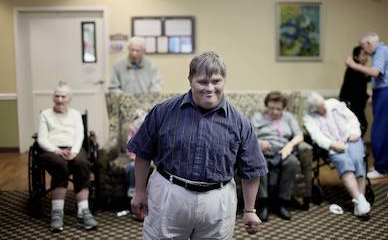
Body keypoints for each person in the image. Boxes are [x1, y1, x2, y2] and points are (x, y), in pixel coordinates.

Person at [128, 52, 268, 239]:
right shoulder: (163, 112)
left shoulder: (240, 122)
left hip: (218, 201)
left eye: (216, 81)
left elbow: (251, 170)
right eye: (202, 82)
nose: (210, 88)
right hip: (169, 196)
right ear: (190, 80)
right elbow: (143, 154)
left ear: (224, 81)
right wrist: (139, 192)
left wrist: (250, 209)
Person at [37, 82, 98, 232]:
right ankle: (57, 213)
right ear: (53, 97)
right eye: (57, 96)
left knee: (82, 163)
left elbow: (79, 136)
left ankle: (83, 211)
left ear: (69, 99)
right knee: (60, 165)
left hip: (73, 148)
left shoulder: (76, 114)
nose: (59, 99)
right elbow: (42, 139)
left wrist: (74, 152)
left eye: (63, 96)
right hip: (51, 150)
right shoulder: (45, 114)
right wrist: (56, 150)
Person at [304, 92, 371, 217]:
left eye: (323, 104)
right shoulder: (309, 117)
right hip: (333, 144)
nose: (324, 108)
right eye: (320, 108)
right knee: (345, 164)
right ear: (314, 109)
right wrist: (332, 144)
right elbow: (317, 136)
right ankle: (360, 200)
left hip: (351, 138)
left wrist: (355, 132)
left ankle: (359, 202)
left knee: (357, 159)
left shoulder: (334, 104)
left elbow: (352, 118)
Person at [251, 91, 304, 221]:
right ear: (266, 106)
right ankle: (263, 204)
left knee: (292, 162)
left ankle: (282, 203)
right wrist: (259, 143)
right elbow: (247, 136)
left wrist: (289, 145)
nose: (274, 112)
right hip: (262, 150)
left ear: (283, 108)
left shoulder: (288, 118)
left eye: (278, 109)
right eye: (271, 108)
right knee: (258, 162)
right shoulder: (257, 117)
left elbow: (299, 135)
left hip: (283, 151)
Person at [345, 32, 388, 179]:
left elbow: (376, 72)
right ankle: (382, 165)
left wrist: (354, 65)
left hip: (384, 92)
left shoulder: (381, 51)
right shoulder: (381, 52)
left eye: (364, 47)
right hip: (380, 92)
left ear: (369, 44)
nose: (366, 53)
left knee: (379, 131)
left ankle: (381, 168)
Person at [339, 46, 371, 137]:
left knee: (358, 126)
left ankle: (354, 148)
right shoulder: (354, 69)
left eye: (367, 55)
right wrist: (368, 97)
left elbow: (363, 81)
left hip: (353, 103)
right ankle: (355, 149)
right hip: (351, 103)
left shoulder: (358, 69)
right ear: (356, 57)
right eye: (363, 55)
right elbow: (358, 88)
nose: (366, 57)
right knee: (361, 125)